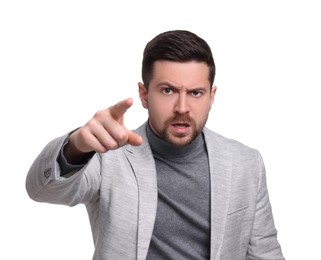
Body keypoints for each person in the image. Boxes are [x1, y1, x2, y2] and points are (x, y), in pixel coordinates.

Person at [26, 30, 285, 260]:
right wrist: (76, 147)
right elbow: (40, 189)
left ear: (211, 96)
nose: (182, 108)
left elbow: (264, 252)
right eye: (168, 91)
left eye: (196, 93)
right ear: (144, 95)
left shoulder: (246, 163)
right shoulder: (108, 157)